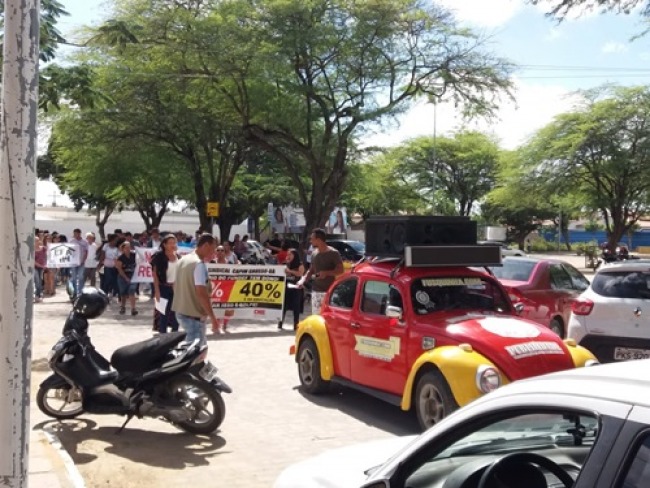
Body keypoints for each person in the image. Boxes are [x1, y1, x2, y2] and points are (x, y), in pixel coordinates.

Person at [172, 233, 219, 346]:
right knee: (195, 351)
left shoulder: (183, 260)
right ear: (206, 245)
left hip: (181, 311)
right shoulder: (198, 264)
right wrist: (213, 318)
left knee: (195, 348)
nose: (213, 253)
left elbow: (174, 285)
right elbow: (201, 293)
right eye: (213, 249)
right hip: (193, 316)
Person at [298, 228, 344, 314]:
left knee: (328, 318)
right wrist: (303, 280)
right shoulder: (314, 253)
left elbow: (341, 270)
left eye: (312, 239)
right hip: (316, 291)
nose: (310, 241)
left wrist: (326, 273)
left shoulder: (334, 253)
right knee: (316, 318)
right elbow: (311, 270)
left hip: (329, 291)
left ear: (319, 240)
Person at [151, 235, 180, 334]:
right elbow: (155, 274)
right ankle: (163, 335)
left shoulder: (178, 256)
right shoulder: (159, 257)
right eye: (170, 243)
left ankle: (174, 334)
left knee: (177, 313)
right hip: (163, 287)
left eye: (174, 242)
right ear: (164, 244)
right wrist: (157, 291)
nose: (172, 245)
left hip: (176, 288)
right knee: (164, 314)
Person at [279, 248, 304, 330]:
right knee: (283, 306)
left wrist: (290, 271)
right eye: (287, 254)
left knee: (296, 307)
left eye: (290, 254)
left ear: (295, 255)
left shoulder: (300, 265)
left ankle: (295, 324)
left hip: (296, 288)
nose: (288, 256)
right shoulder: (285, 264)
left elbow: (300, 273)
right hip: (286, 287)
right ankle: (280, 323)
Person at [115, 241, 138, 316]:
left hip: (133, 276)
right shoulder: (120, 258)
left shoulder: (134, 255)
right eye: (126, 248)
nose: (128, 249)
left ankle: (133, 309)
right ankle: (123, 307)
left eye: (129, 247)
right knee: (123, 293)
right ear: (123, 249)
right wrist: (125, 278)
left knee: (132, 291)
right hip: (122, 276)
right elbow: (119, 269)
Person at [34, 235, 47, 302]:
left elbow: (48, 254)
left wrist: (46, 264)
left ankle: (38, 295)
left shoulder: (43, 248)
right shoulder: (31, 250)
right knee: (37, 281)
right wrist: (42, 266)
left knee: (40, 281)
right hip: (34, 268)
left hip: (41, 267)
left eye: (37, 240)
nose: (37, 242)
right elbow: (33, 261)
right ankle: (37, 295)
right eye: (35, 241)